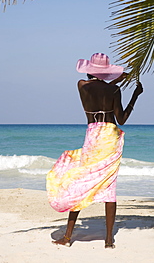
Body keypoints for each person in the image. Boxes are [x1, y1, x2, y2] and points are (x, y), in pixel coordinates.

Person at [46, 53, 143, 248]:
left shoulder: (82, 85)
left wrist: (115, 78)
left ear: (89, 70)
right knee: (110, 187)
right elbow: (122, 119)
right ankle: (108, 241)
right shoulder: (114, 90)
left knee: (81, 182)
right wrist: (135, 94)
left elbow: (98, 84)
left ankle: (67, 237)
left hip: (93, 136)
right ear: (106, 72)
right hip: (110, 137)